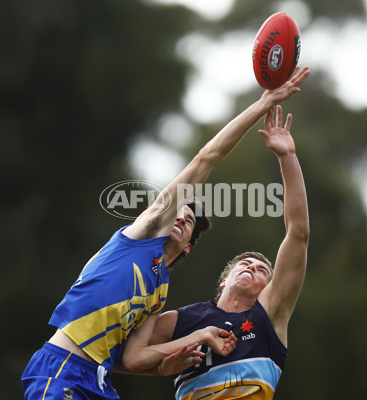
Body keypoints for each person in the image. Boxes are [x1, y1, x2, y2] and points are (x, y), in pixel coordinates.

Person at [21, 66, 311, 400]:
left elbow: (130, 358)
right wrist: (262, 105)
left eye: (188, 221)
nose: (180, 218)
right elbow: (206, 159)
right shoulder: (142, 236)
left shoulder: (158, 292)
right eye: (180, 211)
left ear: (188, 247)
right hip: (64, 365)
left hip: (99, 381)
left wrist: (166, 365)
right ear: (223, 278)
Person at [119, 102, 311, 400]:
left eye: (263, 271)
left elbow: (298, 234)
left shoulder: (269, 316)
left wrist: (288, 156)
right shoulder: (182, 320)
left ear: (269, 289)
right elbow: (117, 355)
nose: (253, 268)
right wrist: (161, 368)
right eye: (245, 264)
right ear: (224, 279)